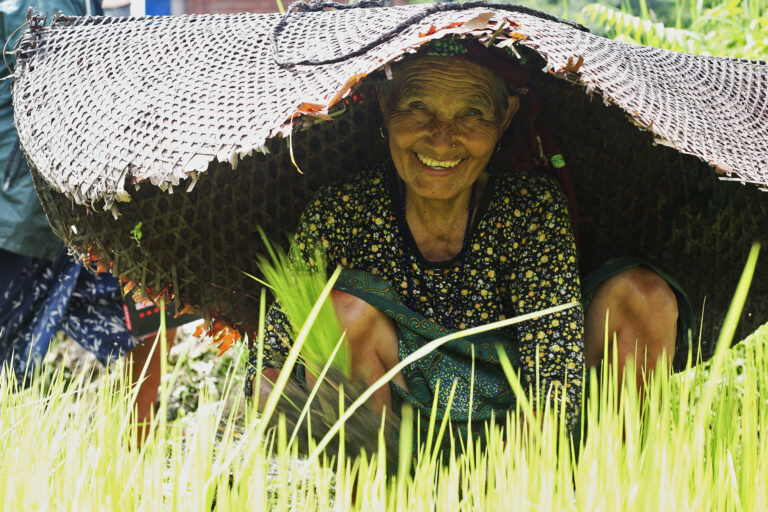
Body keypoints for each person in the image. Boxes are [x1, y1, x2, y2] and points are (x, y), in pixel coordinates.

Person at [246, 40, 695, 437]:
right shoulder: (343, 209)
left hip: (521, 428)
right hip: (398, 430)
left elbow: (553, 373)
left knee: (643, 296)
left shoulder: (529, 208)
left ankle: (615, 487)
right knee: (337, 315)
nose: (441, 140)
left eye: (472, 113)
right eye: (418, 107)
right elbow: (273, 353)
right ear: (385, 105)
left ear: (506, 118)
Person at [0, 0, 173, 440]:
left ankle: (133, 453)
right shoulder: (30, 8)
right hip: (27, 212)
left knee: (149, 316)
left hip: (80, 214)